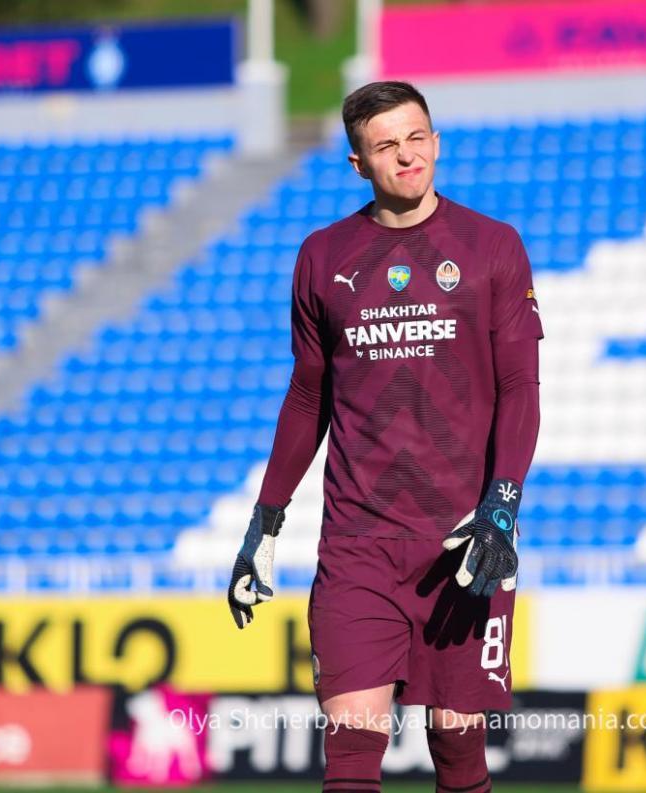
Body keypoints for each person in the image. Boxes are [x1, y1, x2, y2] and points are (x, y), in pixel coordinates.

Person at [228, 80, 543, 793]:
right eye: (386, 145)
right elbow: (308, 395)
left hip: (465, 542)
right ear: (358, 163)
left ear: (436, 142)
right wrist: (265, 521)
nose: (406, 156)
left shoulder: (492, 245)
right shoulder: (323, 256)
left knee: (457, 747)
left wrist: (501, 506)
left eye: (416, 138)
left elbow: (521, 389)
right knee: (350, 751)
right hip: (357, 547)